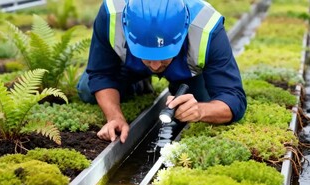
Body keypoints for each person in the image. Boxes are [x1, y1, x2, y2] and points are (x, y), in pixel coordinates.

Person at [77, 0, 247, 143]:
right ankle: (138, 84)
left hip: (188, 73)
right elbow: (101, 74)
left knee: (208, 101)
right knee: (87, 89)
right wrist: (114, 117)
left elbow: (233, 98)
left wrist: (200, 110)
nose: (156, 66)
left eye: (164, 56)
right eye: (148, 57)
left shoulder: (207, 27)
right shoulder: (111, 14)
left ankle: (177, 85)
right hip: (129, 66)